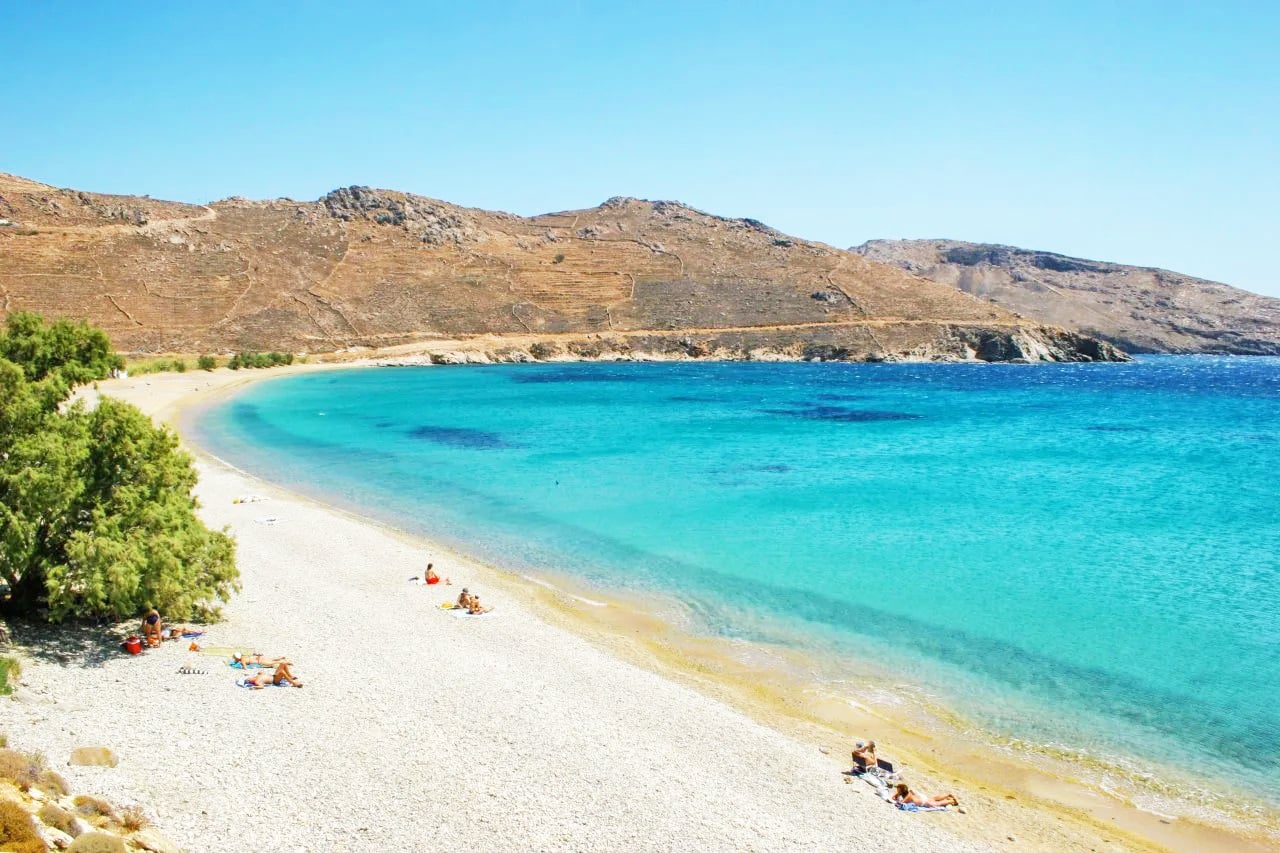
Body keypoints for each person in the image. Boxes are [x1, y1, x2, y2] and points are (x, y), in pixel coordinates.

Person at [892, 783, 958, 808]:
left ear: (902, 791)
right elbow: (893, 797)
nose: (897, 791)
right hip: (922, 799)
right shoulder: (908, 793)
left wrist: (897, 795)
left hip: (924, 802)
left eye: (898, 790)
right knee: (933, 798)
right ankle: (948, 795)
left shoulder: (908, 795)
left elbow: (902, 802)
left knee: (937, 803)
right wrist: (897, 794)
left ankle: (952, 800)